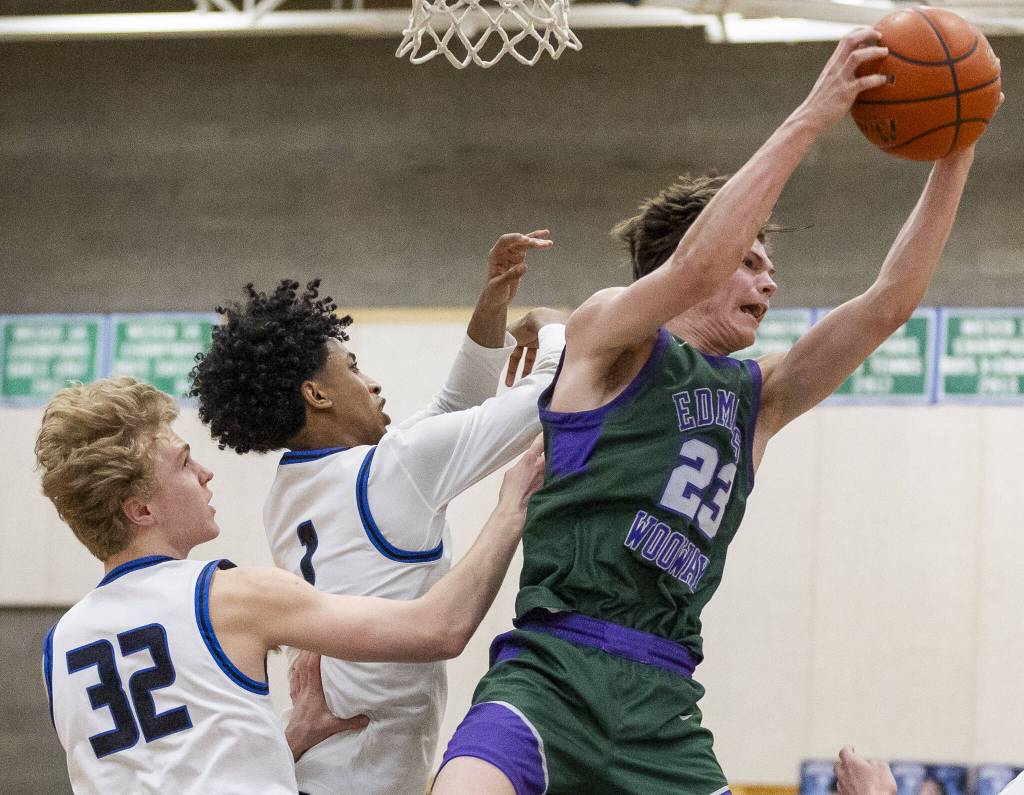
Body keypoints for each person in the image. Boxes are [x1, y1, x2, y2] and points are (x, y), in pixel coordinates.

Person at [434, 27, 991, 795]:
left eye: (771, 270)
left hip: (663, 706)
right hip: (552, 673)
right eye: (752, 262)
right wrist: (812, 115)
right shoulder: (608, 338)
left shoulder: (759, 399)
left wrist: (956, 151)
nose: (768, 285)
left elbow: (889, 303)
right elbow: (697, 261)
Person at [187, 233, 567, 794]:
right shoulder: (393, 470)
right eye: (354, 367)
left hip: (314, 772)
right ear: (317, 395)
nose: (373, 382)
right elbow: (550, 388)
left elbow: (445, 418)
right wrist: (554, 320)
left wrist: (492, 313)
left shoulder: (291, 493)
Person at [37, 376, 544, 794]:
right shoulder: (227, 595)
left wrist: (292, 737)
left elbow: (170, 767)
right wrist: (509, 510)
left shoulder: (60, 644)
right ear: (140, 510)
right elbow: (439, 630)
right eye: (185, 462)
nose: (206, 473)